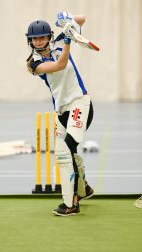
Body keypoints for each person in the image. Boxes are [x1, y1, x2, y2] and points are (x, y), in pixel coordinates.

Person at [26, 11, 94, 216]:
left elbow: (82, 18)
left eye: (42, 37)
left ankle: (71, 203)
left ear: (49, 37)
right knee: (67, 153)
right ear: (30, 41)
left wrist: (67, 20)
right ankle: (84, 189)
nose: (38, 41)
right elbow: (59, 65)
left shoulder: (59, 41)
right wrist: (67, 39)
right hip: (61, 111)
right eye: (34, 38)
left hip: (80, 104)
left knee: (66, 151)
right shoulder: (32, 63)